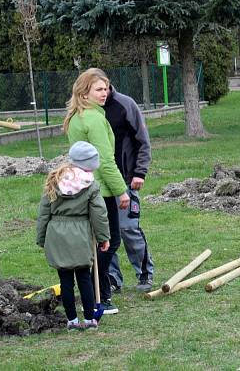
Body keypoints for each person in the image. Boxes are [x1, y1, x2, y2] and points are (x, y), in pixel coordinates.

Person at [65, 68, 129, 313]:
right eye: (99, 89)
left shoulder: (77, 117)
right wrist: (121, 191)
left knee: (98, 242)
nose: (105, 93)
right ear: (84, 92)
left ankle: (98, 291)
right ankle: (98, 293)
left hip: (83, 187)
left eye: (106, 88)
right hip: (100, 190)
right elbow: (105, 160)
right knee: (108, 241)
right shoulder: (93, 119)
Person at [36, 141, 111, 330]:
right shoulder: (90, 184)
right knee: (84, 277)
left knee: (65, 280)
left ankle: (71, 320)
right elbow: (99, 213)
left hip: (57, 234)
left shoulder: (55, 179)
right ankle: (89, 318)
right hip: (80, 234)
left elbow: (44, 211)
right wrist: (103, 237)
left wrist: (42, 237)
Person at [103, 83, 155, 293]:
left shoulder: (125, 104)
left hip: (125, 178)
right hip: (99, 181)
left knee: (127, 228)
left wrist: (139, 172)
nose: (101, 93)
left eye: (103, 88)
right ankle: (113, 278)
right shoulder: (88, 109)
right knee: (104, 233)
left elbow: (143, 141)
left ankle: (144, 273)